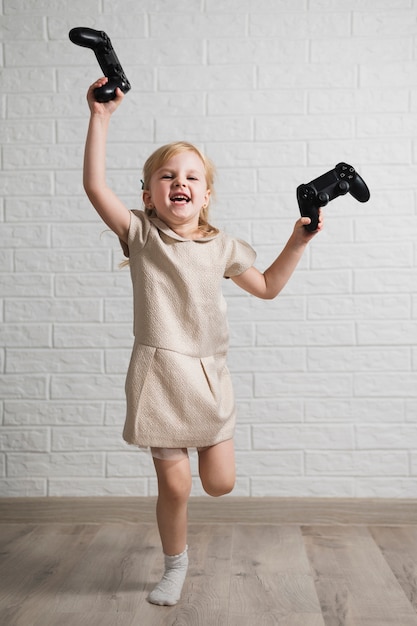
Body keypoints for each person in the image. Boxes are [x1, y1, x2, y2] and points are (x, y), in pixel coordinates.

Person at [83, 77, 324, 606]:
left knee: (220, 485)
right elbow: (96, 188)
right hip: (161, 377)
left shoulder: (222, 246)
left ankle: (199, 495)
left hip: (210, 378)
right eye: (167, 176)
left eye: (191, 176)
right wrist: (101, 117)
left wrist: (297, 239)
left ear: (207, 195)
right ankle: (175, 565)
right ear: (148, 194)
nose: (180, 182)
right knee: (176, 487)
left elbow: (268, 288)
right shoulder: (142, 235)